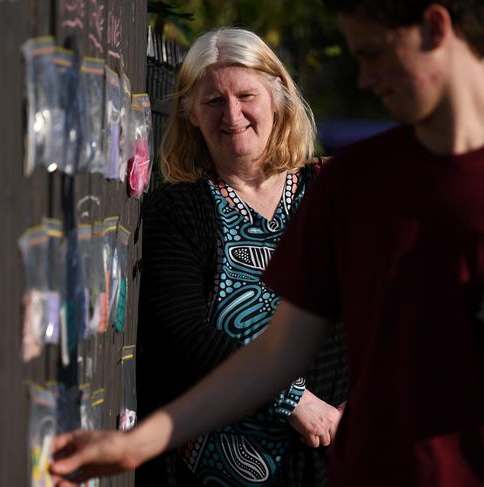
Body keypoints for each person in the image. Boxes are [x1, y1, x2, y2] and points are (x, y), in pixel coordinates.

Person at [51, 1, 484, 486]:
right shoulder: (352, 185)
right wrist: (133, 446)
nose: (365, 79)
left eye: (372, 54)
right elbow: (272, 360)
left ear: (436, 27)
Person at [135, 27, 347, 487]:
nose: (232, 115)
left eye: (246, 95)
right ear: (191, 112)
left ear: (277, 96)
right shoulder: (177, 211)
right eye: (213, 101)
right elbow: (186, 333)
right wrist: (293, 401)